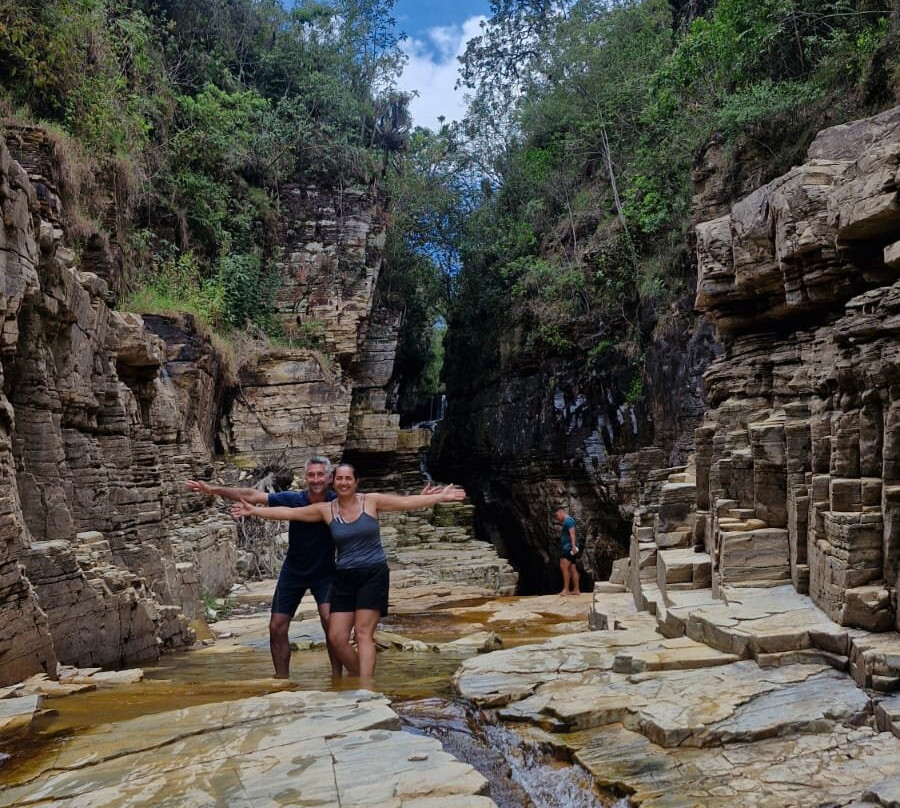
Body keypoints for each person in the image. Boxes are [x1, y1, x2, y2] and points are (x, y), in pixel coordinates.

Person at [230, 463, 466, 680]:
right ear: (334, 482)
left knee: (363, 633)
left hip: (373, 574)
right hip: (343, 576)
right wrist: (255, 512)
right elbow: (289, 513)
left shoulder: (370, 501)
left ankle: (366, 687)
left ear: (356, 482)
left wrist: (439, 498)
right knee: (336, 637)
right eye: (340, 479)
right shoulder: (325, 509)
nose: (344, 483)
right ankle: (359, 677)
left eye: (348, 479)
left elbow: (403, 503)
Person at [185, 456, 341, 679]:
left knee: (330, 622)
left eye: (320, 475)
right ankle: (281, 680)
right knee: (276, 626)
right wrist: (212, 489)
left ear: (328, 478)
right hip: (294, 570)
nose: (315, 479)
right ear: (305, 477)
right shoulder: (294, 499)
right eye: (311, 475)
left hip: (325, 571)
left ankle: (338, 678)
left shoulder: (338, 501)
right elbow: (252, 496)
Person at [553, 504, 581, 596]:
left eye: (556, 515)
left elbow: (572, 533)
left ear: (561, 512)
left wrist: (572, 546)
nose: (556, 518)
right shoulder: (569, 520)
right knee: (572, 568)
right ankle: (576, 589)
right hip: (570, 548)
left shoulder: (568, 520)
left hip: (568, 548)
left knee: (564, 566)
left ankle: (566, 589)